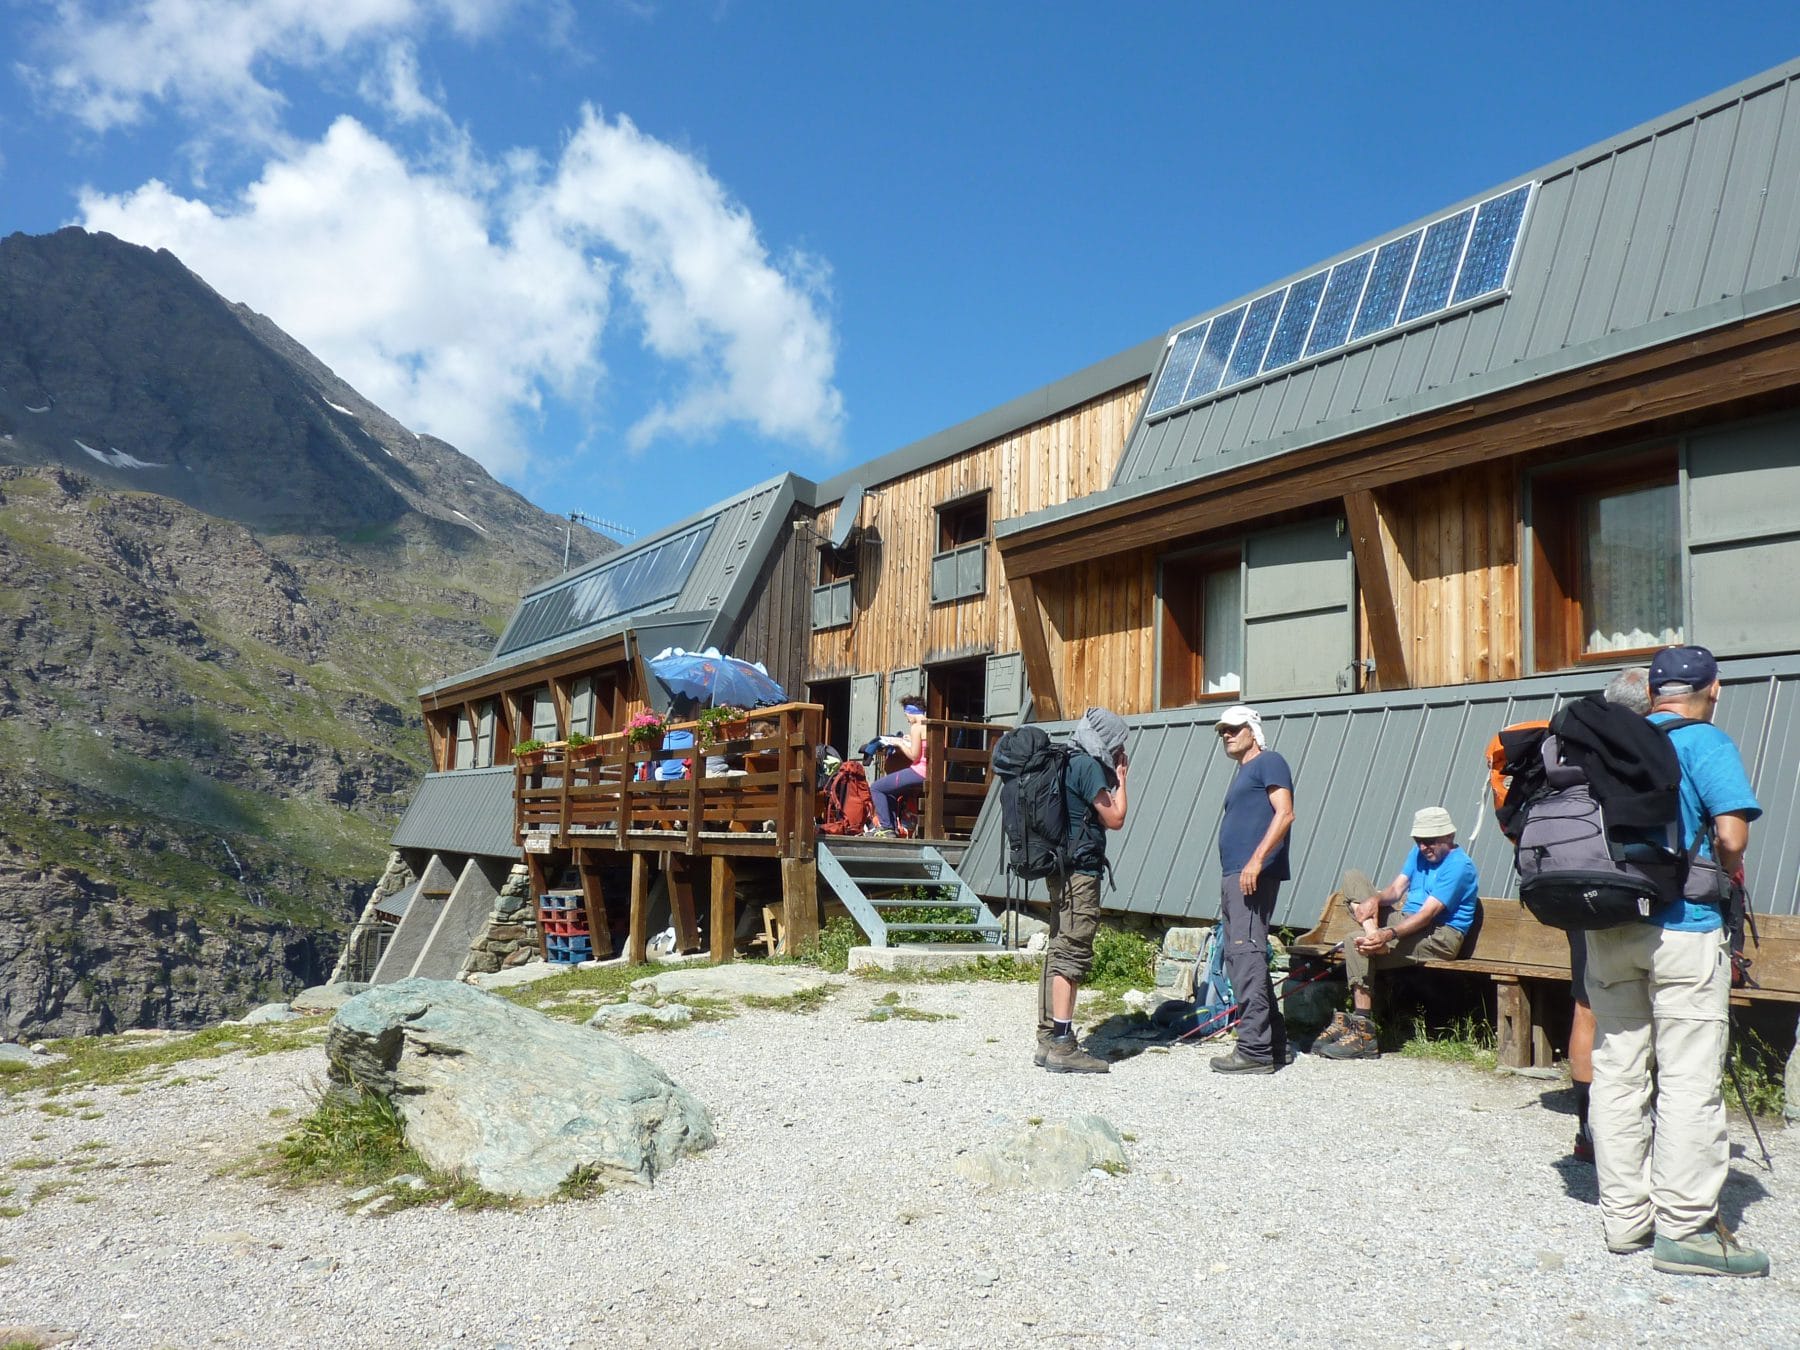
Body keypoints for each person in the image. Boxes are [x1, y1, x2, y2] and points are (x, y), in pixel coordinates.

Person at [1586, 645, 1768, 1278]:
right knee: (1689, 1078)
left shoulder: (1609, 739)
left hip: (1609, 927)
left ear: (1654, 690)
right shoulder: (1703, 742)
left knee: (1617, 1071)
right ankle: (1685, 1229)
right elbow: (1732, 836)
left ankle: (1623, 1219)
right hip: (1683, 930)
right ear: (1711, 688)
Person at [1568, 665, 1652, 1162]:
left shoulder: (1571, 747)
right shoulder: (1647, 747)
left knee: (1587, 1006)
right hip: (1637, 892)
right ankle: (1636, 1122)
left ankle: (1588, 1132)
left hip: (1579, 890)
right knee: (1648, 1008)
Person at [1317, 806, 1481, 1061]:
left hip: (1440, 935)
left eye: (1430, 841)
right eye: (1419, 841)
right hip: (1405, 923)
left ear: (1448, 836)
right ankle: (1372, 938)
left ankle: (1364, 1031)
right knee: (1353, 877)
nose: (1424, 847)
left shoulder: (1459, 866)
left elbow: (1427, 915)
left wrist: (1389, 934)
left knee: (1353, 941)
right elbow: (1395, 890)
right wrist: (1375, 900)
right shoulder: (1418, 854)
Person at [1035, 707, 1130, 1074]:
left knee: (1057, 947)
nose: (1119, 749)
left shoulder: (1061, 760)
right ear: (1104, 739)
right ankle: (1062, 1043)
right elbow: (1115, 818)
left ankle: (1047, 1038)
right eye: (1117, 742)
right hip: (1080, 873)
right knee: (1072, 951)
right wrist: (1121, 779)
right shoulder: (1087, 766)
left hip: (1058, 870)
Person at [1210, 705, 1297, 1075]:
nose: (1227, 735)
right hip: (1237, 874)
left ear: (1253, 729)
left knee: (1245, 954)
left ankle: (1254, 1051)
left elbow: (1285, 812)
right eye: (1222, 731)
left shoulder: (1269, 761)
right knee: (1241, 956)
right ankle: (1273, 1044)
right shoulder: (1245, 772)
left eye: (1234, 728)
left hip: (1250, 874)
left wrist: (1256, 860)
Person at [869, 698, 928, 837]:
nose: (907, 719)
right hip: (930, 772)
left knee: (876, 787)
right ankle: (891, 829)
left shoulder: (916, 727)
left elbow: (914, 756)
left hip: (919, 771)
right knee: (890, 791)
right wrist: (910, 740)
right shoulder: (931, 725)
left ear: (911, 712)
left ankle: (885, 827)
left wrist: (900, 743)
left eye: (906, 715)